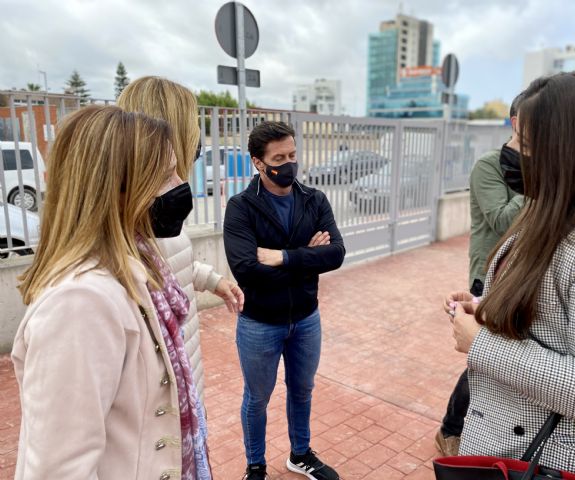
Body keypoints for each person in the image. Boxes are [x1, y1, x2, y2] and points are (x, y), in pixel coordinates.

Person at [445, 70, 575, 478]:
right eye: (514, 137)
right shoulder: (552, 209)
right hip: (514, 445)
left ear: (574, 153)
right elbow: (556, 315)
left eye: (526, 144)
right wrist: (486, 307)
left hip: (552, 459)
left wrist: (483, 343)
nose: (511, 151)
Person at [12, 105, 212, 479]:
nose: (180, 185)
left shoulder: (138, 263)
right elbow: (61, 469)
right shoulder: (80, 304)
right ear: (117, 189)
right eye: (166, 176)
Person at [223, 121, 345, 480]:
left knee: (303, 389)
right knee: (257, 397)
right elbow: (246, 270)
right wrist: (307, 257)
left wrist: (283, 257)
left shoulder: (314, 199)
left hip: (306, 318)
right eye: (279, 158)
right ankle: (255, 466)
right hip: (259, 322)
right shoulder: (241, 207)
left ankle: (300, 454)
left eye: (292, 155)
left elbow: (336, 254)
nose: (289, 163)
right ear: (259, 163)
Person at [117, 76, 244, 405]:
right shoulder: (118, 240)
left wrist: (210, 280)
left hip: (185, 393)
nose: (198, 142)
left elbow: (168, 264)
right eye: (192, 127)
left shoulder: (158, 220)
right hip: (162, 419)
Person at [435, 92, 527, 456]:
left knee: (495, 359)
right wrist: (537, 184)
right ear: (517, 122)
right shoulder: (489, 166)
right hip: (489, 275)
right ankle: (450, 429)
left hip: (522, 276)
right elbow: (503, 220)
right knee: (484, 357)